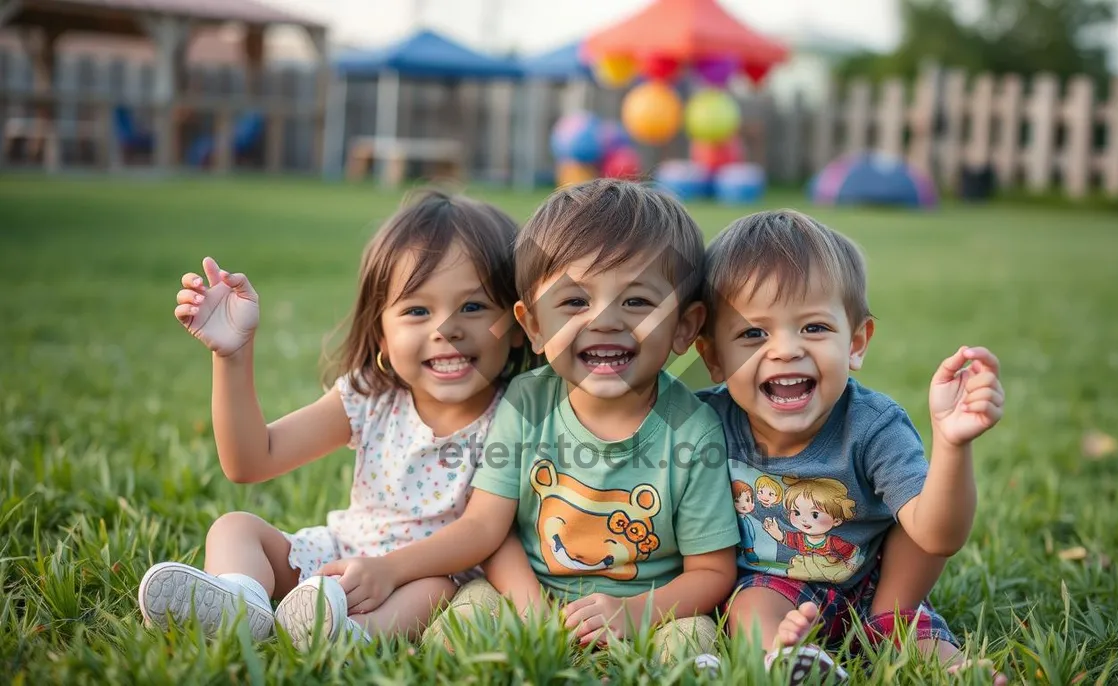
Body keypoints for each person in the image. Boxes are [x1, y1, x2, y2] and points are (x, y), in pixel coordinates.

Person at [359, 179, 740, 664]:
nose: (604, 320)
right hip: (530, 599)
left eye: (637, 301)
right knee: (469, 612)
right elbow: (489, 529)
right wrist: (534, 613)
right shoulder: (526, 402)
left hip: (649, 611)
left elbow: (711, 572)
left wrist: (634, 614)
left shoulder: (693, 429)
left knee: (693, 640)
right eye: (575, 301)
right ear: (534, 325)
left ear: (685, 327)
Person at [137, 189, 529, 648]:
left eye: (474, 306)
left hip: (421, 573)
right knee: (234, 527)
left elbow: (482, 530)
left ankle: (348, 635)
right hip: (337, 559)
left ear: (518, 326)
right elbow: (250, 461)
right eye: (417, 310)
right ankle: (241, 603)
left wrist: (389, 570)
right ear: (380, 333)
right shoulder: (370, 398)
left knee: (438, 592)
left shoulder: (515, 414)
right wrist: (233, 356)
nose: (446, 329)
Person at [695, 209, 1007, 684]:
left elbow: (938, 536)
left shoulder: (873, 427)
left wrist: (951, 443)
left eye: (813, 328)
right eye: (754, 333)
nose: (784, 350)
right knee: (751, 610)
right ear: (714, 357)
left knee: (914, 621)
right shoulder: (705, 423)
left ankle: (942, 662)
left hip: (878, 586)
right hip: (771, 582)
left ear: (857, 342)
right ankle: (788, 658)